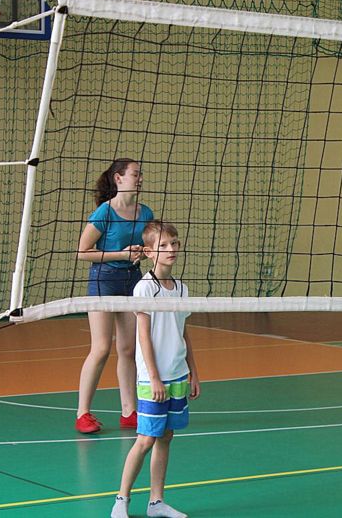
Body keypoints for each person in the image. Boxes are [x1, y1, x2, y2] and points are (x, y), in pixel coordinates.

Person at [111, 220, 199, 518]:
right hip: (153, 379)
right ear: (149, 252)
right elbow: (143, 337)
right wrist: (155, 377)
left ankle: (156, 502)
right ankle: (121, 499)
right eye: (163, 245)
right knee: (146, 439)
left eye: (174, 243)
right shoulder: (145, 287)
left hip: (177, 375)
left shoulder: (182, 288)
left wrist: (194, 372)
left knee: (166, 436)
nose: (171, 249)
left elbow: (184, 332)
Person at [75, 158, 153, 433]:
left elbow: (149, 246)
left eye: (140, 174)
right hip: (104, 281)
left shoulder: (145, 212)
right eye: (135, 174)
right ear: (118, 178)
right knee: (101, 348)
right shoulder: (104, 213)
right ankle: (82, 413)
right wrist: (121, 254)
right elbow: (83, 252)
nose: (140, 179)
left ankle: (129, 411)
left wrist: (142, 252)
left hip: (132, 280)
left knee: (128, 349)